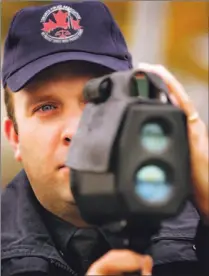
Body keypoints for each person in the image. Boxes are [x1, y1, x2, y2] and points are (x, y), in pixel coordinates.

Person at [1, 1, 208, 276]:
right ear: (14, 137)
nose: (76, 130)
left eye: (97, 101)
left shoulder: (199, 222)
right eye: (46, 107)